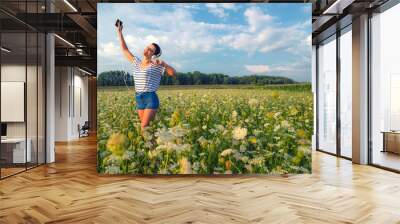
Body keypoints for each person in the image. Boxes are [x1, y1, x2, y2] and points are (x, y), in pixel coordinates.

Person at [116, 20, 176, 131]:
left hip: (150, 98)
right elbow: (125, 50)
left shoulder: (156, 64)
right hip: (139, 98)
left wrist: (164, 64)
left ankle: (153, 147)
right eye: (147, 47)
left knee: (144, 127)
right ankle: (153, 148)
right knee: (146, 130)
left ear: (154, 54)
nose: (147, 50)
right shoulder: (136, 62)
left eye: (151, 50)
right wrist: (119, 32)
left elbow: (173, 73)